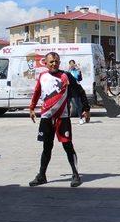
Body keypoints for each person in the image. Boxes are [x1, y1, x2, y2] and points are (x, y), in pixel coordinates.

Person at [28, 52, 90, 188]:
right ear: (45, 62)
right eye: (51, 62)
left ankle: (75, 174)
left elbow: (80, 91)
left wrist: (86, 109)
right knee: (47, 147)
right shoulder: (42, 76)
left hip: (62, 118)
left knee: (68, 146)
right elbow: (37, 92)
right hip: (46, 118)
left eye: (56, 61)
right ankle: (41, 175)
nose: (54, 64)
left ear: (59, 62)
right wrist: (32, 108)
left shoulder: (65, 76)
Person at [67, 59, 85, 124]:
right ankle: (67, 118)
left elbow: (80, 79)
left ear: (74, 64)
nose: (72, 65)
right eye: (70, 64)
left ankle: (80, 118)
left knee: (78, 104)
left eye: (73, 63)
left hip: (75, 88)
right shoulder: (68, 72)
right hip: (69, 89)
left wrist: (79, 71)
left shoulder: (77, 71)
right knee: (67, 104)